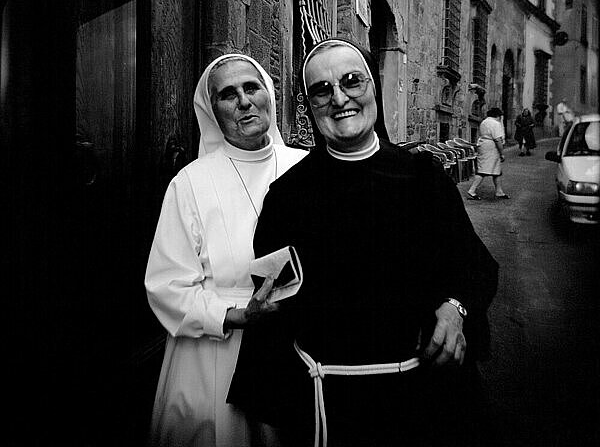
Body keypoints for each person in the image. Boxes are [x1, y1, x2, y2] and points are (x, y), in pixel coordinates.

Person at [228, 38, 499, 447]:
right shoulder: (287, 197)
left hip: (422, 405)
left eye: (352, 81)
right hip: (328, 411)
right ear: (310, 105)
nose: (340, 98)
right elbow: (273, 316)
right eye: (322, 90)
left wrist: (456, 307)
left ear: (373, 87)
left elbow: (473, 266)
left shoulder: (424, 179)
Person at [144, 54, 307, 447]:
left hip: (296, 345)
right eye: (228, 94)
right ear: (213, 111)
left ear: (267, 93)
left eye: (251, 88)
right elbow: (166, 285)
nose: (243, 101)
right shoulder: (191, 183)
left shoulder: (306, 168)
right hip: (214, 356)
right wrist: (236, 315)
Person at [467, 107, 509, 200]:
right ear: (498, 115)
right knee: (483, 170)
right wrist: (502, 152)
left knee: (496, 170)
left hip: (483, 144)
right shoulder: (496, 123)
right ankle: (472, 190)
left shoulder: (484, 122)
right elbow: (497, 139)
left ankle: (499, 191)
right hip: (491, 147)